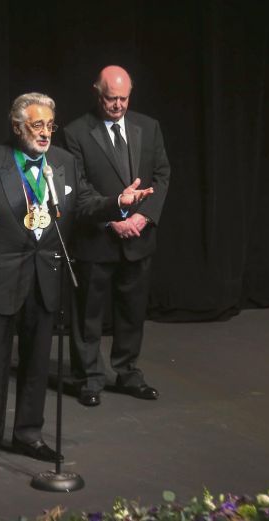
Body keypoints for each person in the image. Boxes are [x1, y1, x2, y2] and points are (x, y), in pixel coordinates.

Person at [0, 93, 152, 471]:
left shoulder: (64, 163)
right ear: (17, 127)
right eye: (37, 125)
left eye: (49, 126)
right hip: (0, 277)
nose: (45, 134)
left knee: (38, 362)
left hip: (46, 275)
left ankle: (28, 434)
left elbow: (87, 205)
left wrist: (119, 203)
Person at [62, 65, 171, 407]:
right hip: (97, 239)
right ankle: (89, 378)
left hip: (138, 238)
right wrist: (112, 220)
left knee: (132, 312)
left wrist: (142, 217)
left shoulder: (148, 127)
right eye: (111, 98)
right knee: (88, 316)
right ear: (98, 93)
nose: (118, 105)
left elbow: (162, 174)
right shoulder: (76, 132)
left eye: (124, 98)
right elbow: (78, 188)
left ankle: (128, 373)